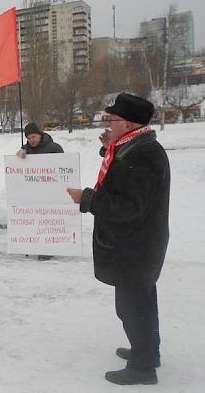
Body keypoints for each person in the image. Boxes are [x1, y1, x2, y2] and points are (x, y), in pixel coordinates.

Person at [67, 93, 169, 386]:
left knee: (132, 307)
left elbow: (128, 206)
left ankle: (143, 368)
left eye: (110, 119)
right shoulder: (135, 147)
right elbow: (124, 178)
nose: (106, 124)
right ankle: (148, 352)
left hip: (134, 247)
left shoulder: (143, 155)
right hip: (137, 245)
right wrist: (108, 149)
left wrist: (86, 198)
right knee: (141, 302)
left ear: (127, 123)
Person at [17, 123, 64, 261]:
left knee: (48, 221)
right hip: (32, 191)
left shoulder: (54, 148)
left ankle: (48, 248)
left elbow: (65, 166)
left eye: (34, 136)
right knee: (34, 219)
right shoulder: (24, 149)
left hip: (51, 190)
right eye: (29, 137)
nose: (31, 140)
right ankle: (34, 244)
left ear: (40, 134)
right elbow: (16, 166)